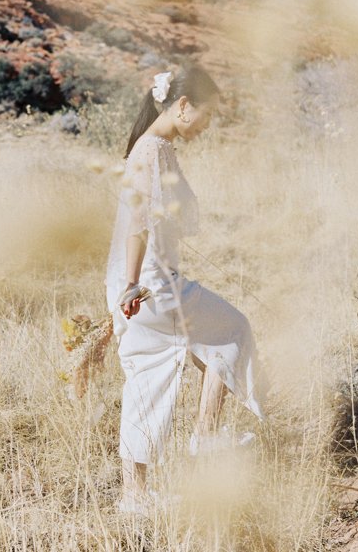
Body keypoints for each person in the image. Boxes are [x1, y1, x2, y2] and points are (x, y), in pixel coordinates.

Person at [104, 64, 270, 516]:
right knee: (232, 330)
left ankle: (134, 497)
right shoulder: (152, 150)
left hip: (138, 283)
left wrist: (126, 284)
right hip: (151, 286)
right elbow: (138, 219)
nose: (208, 125)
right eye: (208, 114)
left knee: (146, 381)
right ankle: (206, 435)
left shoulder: (152, 147)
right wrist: (134, 284)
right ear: (182, 106)